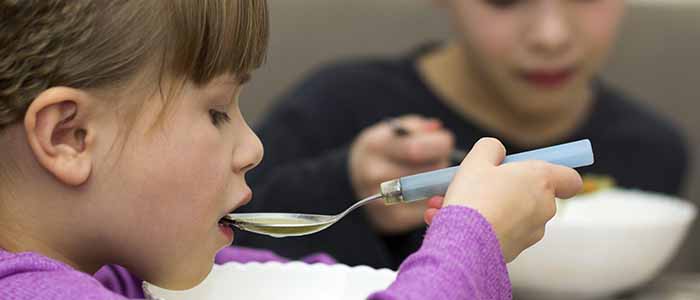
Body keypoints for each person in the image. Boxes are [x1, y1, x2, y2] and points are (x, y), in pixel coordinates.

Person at [0, 1, 583, 299]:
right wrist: (473, 238)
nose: (252, 147)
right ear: (68, 137)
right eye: (217, 111)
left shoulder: (108, 269)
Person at [236, 0, 689, 269]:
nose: (551, 36)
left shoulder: (653, 150)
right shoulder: (339, 107)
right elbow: (219, 248)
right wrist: (344, 186)